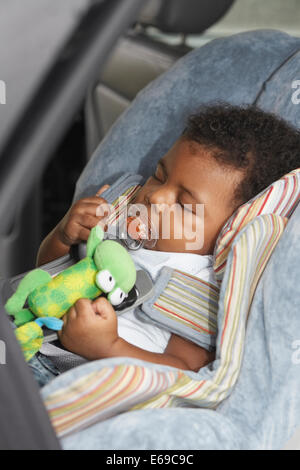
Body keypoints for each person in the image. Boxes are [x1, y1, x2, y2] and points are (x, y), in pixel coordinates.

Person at [33, 104, 300, 382]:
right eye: (159, 176)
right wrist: (64, 237)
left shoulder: (199, 286)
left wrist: (107, 347)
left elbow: (185, 370)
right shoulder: (115, 219)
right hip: (29, 342)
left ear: (228, 232)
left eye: (184, 205)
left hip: (77, 382)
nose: (156, 197)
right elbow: (44, 275)